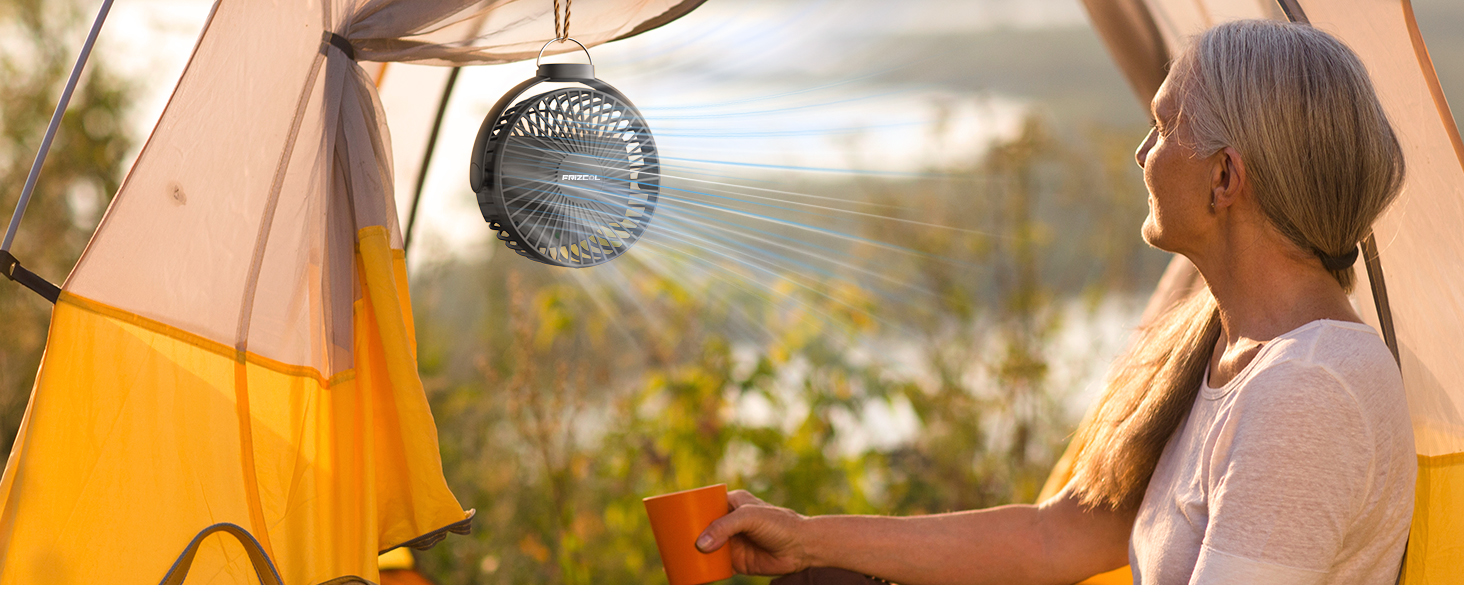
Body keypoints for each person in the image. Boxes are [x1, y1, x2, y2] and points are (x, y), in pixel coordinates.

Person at [694, 19, 1417, 585]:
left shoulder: (1308, 389)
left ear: (1225, 178)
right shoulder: (1227, 350)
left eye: (1165, 126)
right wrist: (807, 540)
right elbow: (1053, 537)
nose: (1144, 153)